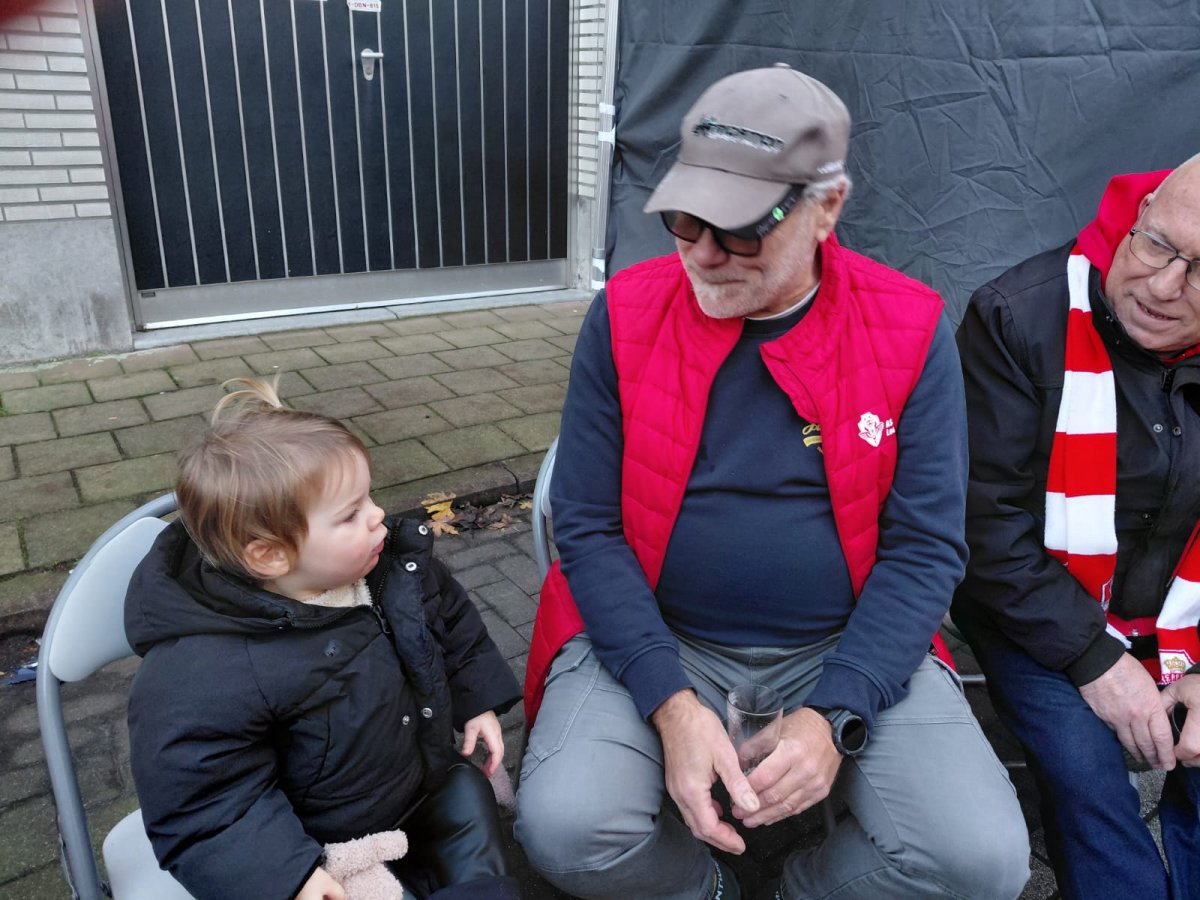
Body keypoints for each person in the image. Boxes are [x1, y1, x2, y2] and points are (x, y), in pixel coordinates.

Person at [515, 64, 1030, 900]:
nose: (703, 254)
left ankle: (804, 887)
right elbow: (586, 524)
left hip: (843, 640)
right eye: (684, 218)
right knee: (567, 830)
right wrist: (668, 700)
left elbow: (926, 549)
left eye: (742, 229)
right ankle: (705, 891)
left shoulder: (909, 327)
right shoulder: (626, 312)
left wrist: (838, 711)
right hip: (657, 629)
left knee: (983, 863)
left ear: (828, 207)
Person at [124, 378, 522, 900]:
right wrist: (287, 875)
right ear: (271, 555)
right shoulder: (204, 669)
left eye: (369, 496)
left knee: (471, 806)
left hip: (423, 781)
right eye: (350, 514)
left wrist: (475, 700)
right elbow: (206, 800)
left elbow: (450, 621)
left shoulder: (392, 569)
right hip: (326, 844)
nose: (378, 515)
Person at [953, 155, 1200, 898]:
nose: (1164, 286)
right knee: (1086, 777)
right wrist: (1096, 661)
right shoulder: (1016, 318)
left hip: (1187, 612)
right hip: (1036, 609)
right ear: (1141, 212)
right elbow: (983, 526)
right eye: (1159, 245)